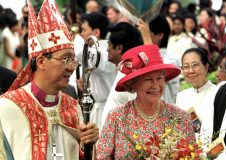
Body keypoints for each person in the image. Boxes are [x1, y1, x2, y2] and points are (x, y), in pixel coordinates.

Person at [0, 0, 98, 159]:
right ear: (41, 62)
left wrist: (89, 145)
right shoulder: (8, 107)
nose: (72, 67)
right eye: (66, 59)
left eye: (74, 60)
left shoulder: (73, 107)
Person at [96, 44, 195, 159]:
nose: (155, 85)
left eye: (159, 78)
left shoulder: (181, 118)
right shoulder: (117, 117)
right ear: (132, 83)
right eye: (148, 79)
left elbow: (192, 155)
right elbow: (102, 157)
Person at [76, 12, 116, 127]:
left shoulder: (102, 51)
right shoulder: (98, 50)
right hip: (98, 107)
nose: (81, 34)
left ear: (96, 32)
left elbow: (79, 54)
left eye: (84, 30)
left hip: (107, 108)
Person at [100, 22, 143, 129]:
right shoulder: (124, 70)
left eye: (109, 44)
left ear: (119, 48)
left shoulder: (131, 75)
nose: (107, 49)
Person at [176, 47, 218, 148]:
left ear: (206, 67)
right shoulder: (181, 96)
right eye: (186, 67)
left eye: (195, 65)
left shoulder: (218, 93)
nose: (190, 71)